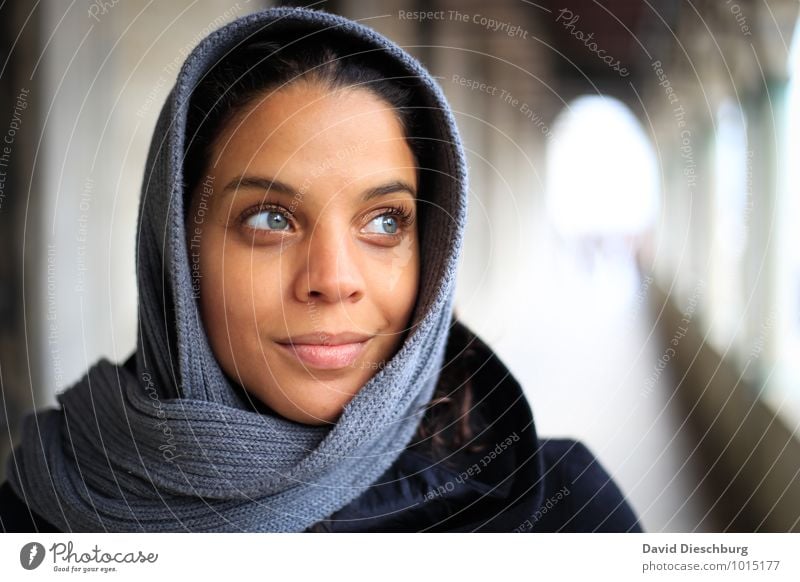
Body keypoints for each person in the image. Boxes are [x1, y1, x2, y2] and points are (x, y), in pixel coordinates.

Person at [0, 6, 642, 533]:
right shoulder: (43, 515)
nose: (334, 280)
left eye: (386, 222)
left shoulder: (566, 513)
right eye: (270, 219)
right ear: (176, 249)